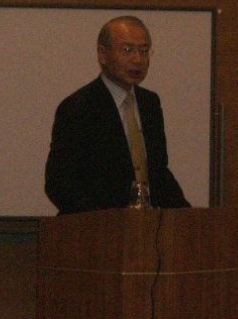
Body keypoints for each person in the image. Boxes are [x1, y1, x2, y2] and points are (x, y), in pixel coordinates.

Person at [45, 15, 191, 215]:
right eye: (127, 50)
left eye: (144, 51)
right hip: (98, 227)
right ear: (103, 54)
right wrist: (104, 220)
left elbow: (158, 173)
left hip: (145, 225)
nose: (137, 60)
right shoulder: (78, 107)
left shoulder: (150, 103)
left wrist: (187, 216)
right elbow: (59, 182)